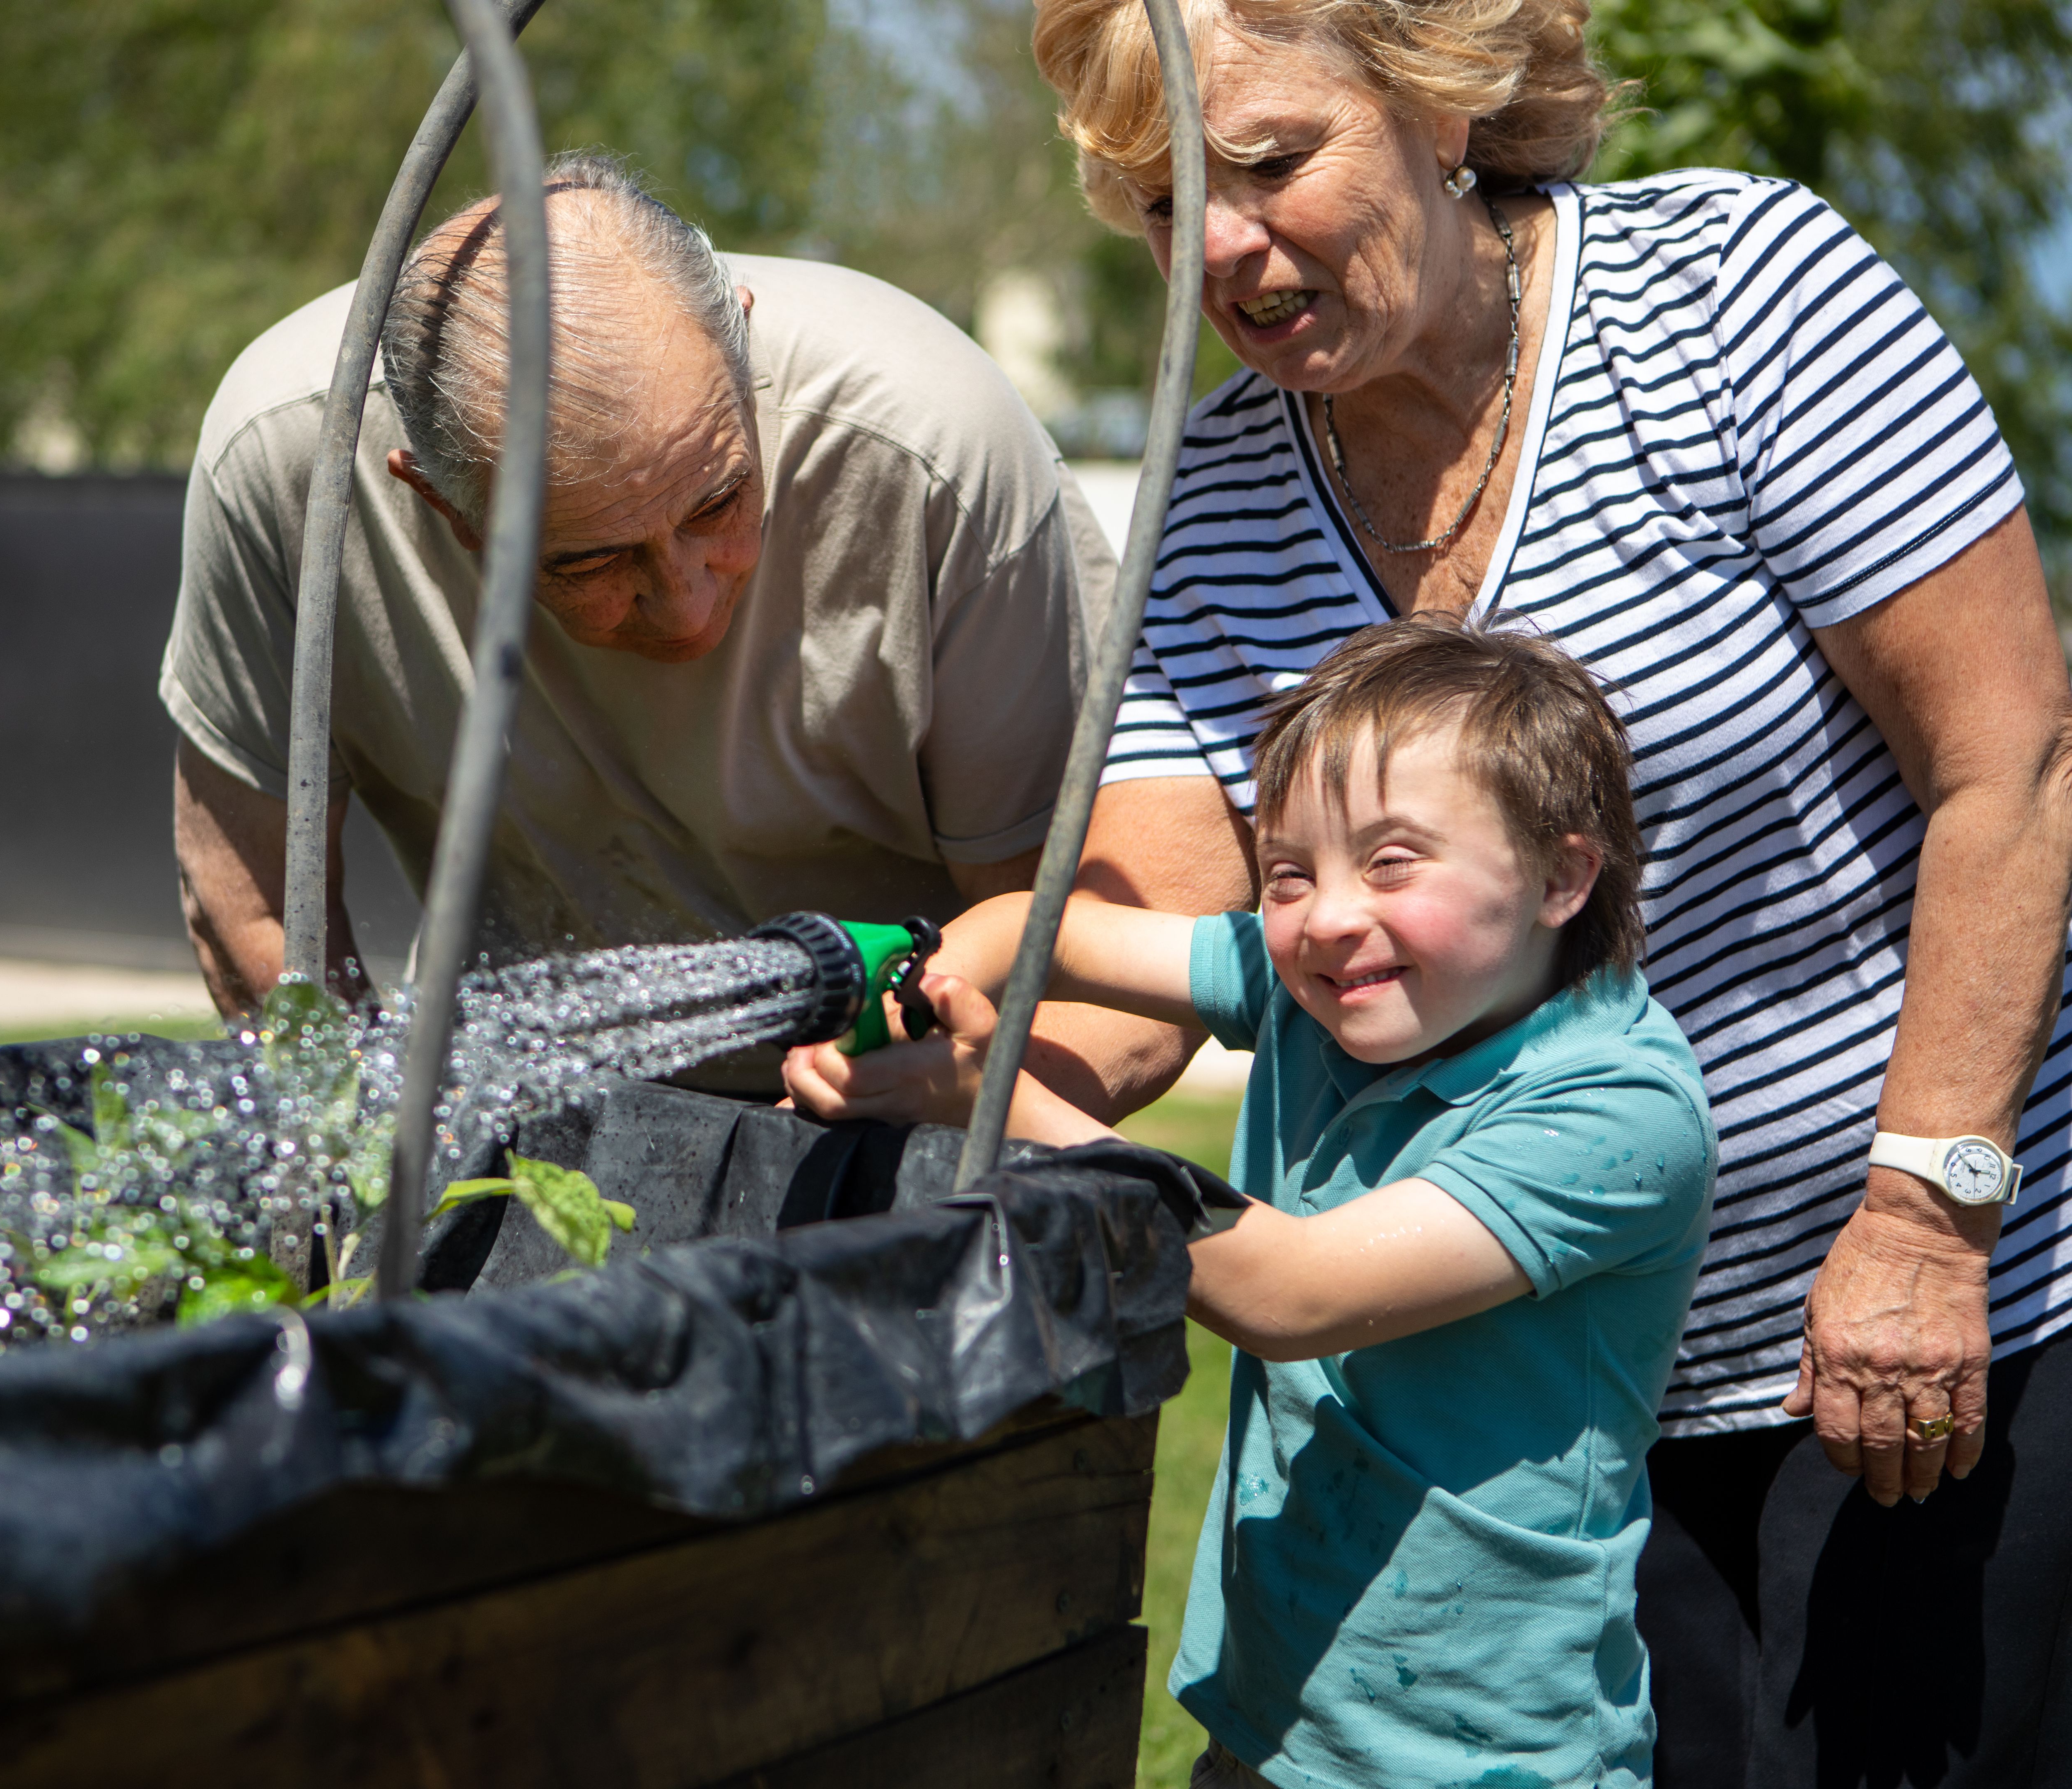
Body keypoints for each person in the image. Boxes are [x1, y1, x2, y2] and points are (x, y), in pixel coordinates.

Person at [797, 1, 2072, 1779]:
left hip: (1893, 1324)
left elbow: (2008, 767)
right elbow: (1168, 957)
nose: (1222, 250)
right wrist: (966, 1072)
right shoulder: (1208, 496)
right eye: (1169, 204)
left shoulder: (1740, 298)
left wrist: (1929, 1213)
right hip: (1494, 1391)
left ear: (1440, 103)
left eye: (1270, 164)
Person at [801, 617, 1714, 1787]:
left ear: (1563, 875)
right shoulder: (1315, 986)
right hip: (1274, 1715)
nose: (1328, 917)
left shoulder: (1617, 1108)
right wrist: (921, 989)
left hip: (1482, 1758)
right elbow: (1047, 928)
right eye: (1288, 873)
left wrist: (996, 1100)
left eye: (1392, 862)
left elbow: (1292, 1292)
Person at [162, 152, 1116, 1059]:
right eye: (592, 563)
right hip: (526, 1093)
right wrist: (366, 1165)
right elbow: (255, 912)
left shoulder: (933, 444)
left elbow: (1061, 931)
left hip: (901, 1082)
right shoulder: (293, 465)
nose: (689, 605)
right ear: (445, 508)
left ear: (740, 350)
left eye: (718, 504)